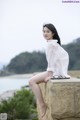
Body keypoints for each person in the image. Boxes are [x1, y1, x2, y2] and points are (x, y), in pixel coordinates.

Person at [29, 23, 70, 119]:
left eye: (47, 31)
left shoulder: (51, 45)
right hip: (58, 71)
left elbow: (52, 61)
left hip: (56, 72)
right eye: (43, 31)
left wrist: (51, 75)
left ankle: (42, 104)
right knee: (33, 80)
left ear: (53, 33)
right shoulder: (53, 44)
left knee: (31, 81)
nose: (45, 33)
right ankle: (42, 104)